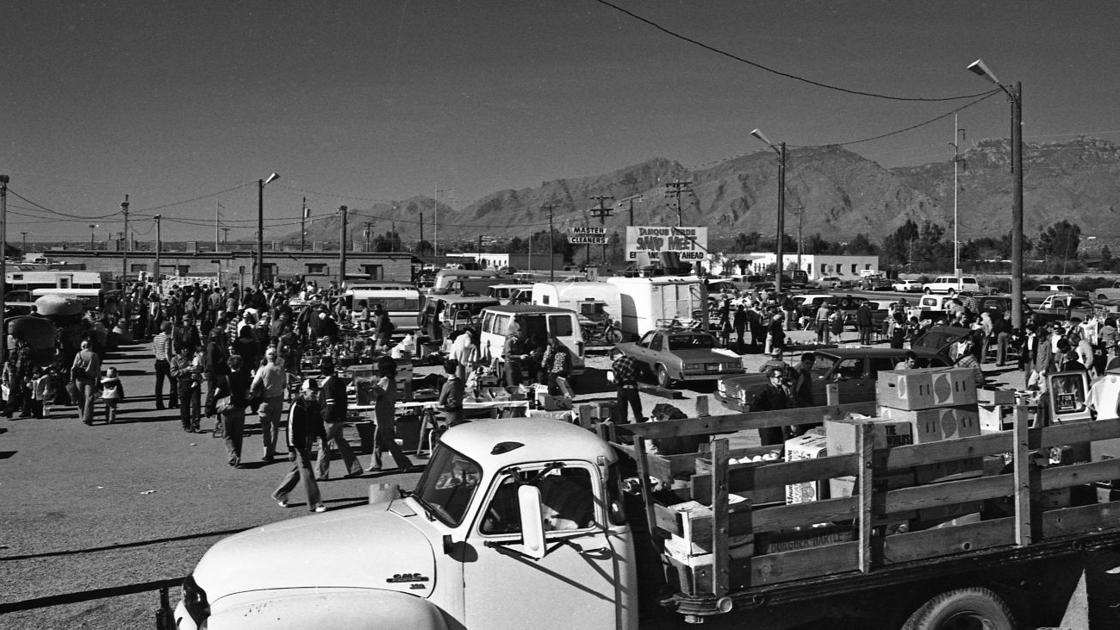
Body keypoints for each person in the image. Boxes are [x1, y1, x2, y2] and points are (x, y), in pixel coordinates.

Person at [273, 379, 327, 513]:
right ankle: (315, 503)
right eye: (312, 392)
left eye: (316, 392)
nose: (315, 394)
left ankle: (280, 493)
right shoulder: (297, 404)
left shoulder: (314, 404)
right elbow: (290, 428)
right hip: (297, 443)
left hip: (307, 441)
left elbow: (319, 422)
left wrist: (324, 437)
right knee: (307, 471)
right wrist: (291, 449)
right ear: (304, 391)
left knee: (300, 469)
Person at [315, 356, 364, 480]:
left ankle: (321, 473)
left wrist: (325, 417)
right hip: (340, 417)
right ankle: (355, 468)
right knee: (341, 442)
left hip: (331, 419)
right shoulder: (338, 381)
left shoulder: (328, 384)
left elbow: (330, 404)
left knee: (324, 444)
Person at [365, 357, 414, 473]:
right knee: (377, 441)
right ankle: (375, 463)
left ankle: (405, 463)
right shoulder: (390, 380)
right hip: (385, 414)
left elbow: (378, 394)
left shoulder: (385, 381)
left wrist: (371, 386)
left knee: (389, 441)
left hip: (383, 415)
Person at [250, 347, 288, 462]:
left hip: (265, 400)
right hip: (278, 399)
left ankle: (267, 451)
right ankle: (273, 448)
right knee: (274, 426)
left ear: (266, 357)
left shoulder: (262, 370)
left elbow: (254, 384)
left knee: (265, 427)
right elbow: (284, 385)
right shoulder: (281, 369)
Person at [212, 354, 250, 467]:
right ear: (240, 365)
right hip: (240, 408)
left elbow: (216, 394)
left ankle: (233, 455)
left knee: (227, 434)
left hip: (227, 409)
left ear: (229, 365)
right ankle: (238, 456)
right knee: (238, 434)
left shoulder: (224, 378)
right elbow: (248, 394)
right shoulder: (245, 377)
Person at [752, 367, 792, 446]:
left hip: (778, 424)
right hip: (767, 426)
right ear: (771, 378)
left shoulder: (781, 389)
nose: (781, 379)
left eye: (782, 376)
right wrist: (766, 416)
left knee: (779, 447)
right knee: (768, 448)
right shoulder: (764, 391)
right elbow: (754, 407)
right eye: (778, 377)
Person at [71, 339, 101, 426]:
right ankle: (87, 418)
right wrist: (98, 379)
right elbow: (97, 369)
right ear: (91, 346)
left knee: (80, 398)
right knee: (89, 398)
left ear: (82, 346)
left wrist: (71, 379)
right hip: (90, 379)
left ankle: (82, 416)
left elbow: (73, 368)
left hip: (79, 379)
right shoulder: (94, 355)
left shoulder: (78, 354)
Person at [610, 347, 643, 424]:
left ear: (614, 356)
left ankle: (623, 424)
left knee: (622, 409)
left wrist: (612, 380)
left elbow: (617, 381)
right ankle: (640, 423)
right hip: (632, 387)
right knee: (637, 409)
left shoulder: (616, 364)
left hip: (622, 388)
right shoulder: (633, 360)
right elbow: (640, 374)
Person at [152, 322, 177, 410]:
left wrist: (158, 356)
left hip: (158, 361)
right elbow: (167, 352)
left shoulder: (156, 337)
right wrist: (171, 363)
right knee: (173, 381)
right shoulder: (167, 338)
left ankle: (159, 404)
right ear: (167, 329)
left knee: (159, 383)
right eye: (170, 328)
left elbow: (154, 350)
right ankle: (172, 402)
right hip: (165, 362)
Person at [437, 358, 465, 426]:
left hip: (451, 412)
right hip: (459, 410)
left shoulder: (447, 385)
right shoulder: (460, 382)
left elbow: (441, 402)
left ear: (445, 371)